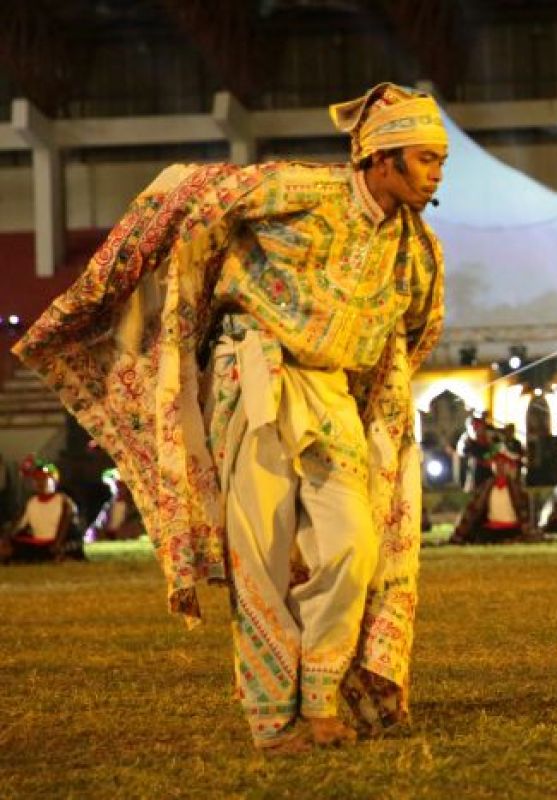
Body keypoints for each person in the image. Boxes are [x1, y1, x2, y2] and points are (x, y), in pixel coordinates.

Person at [13, 83, 448, 751]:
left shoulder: (413, 246)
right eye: (426, 158)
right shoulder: (302, 188)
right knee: (262, 554)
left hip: (332, 397)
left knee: (353, 546)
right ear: (380, 159)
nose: (436, 173)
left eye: (439, 161)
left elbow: (417, 327)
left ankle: (323, 691)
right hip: (255, 379)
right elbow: (199, 196)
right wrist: (166, 282)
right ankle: (276, 720)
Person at [3, 456, 83, 563]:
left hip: (58, 543)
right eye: (37, 479)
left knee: (69, 547)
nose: (40, 482)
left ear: (54, 481)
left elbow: (68, 523)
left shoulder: (64, 500)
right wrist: (6, 539)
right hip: (39, 544)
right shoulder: (31, 502)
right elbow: (19, 524)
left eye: (44, 478)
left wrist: (58, 543)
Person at [449, 449, 538, 544]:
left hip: (512, 528)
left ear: (509, 467)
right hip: (492, 527)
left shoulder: (518, 489)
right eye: (497, 464)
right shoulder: (485, 488)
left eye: (503, 464)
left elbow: (527, 513)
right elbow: (473, 509)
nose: (500, 467)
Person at [86, 468, 144, 542]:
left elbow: (135, 527)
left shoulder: (135, 507)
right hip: (106, 535)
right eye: (117, 484)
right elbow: (98, 526)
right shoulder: (108, 505)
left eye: (122, 485)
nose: (119, 487)